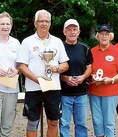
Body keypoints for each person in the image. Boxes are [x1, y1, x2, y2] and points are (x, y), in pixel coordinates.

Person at [17, 9, 69, 137]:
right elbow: (22, 66)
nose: (44, 24)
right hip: (33, 89)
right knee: (32, 123)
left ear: (50, 24)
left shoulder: (57, 42)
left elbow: (65, 64)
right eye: (41, 21)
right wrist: (36, 79)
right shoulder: (27, 42)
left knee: (53, 122)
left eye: (47, 21)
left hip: (53, 88)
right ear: (35, 23)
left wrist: (55, 68)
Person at [89, 24, 118, 137]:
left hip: (111, 92)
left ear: (110, 37)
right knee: (97, 122)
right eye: (101, 34)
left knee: (109, 122)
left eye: (106, 34)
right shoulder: (92, 51)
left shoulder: (116, 52)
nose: (104, 37)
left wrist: (111, 80)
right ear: (97, 36)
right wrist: (92, 76)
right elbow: (88, 70)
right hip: (94, 92)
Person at [59, 19, 93, 137]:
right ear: (64, 32)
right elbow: (53, 69)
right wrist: (65, 78)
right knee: (64, 124)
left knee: (81, 124)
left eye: (74, 30)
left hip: (81, 93)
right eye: (69, 30)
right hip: (64, 93)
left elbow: (89, 67)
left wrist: (83, 77)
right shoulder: (59, 48)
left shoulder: (85, 48)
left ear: (78, 32)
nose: (72, 32)